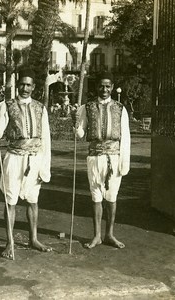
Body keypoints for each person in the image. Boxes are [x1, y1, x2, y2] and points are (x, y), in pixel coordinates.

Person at [0, 69, 52, 259]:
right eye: (22, 84)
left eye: (29, 85)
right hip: (13, 159)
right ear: (18, 85)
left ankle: (33, 238)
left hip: (34, 159)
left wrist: (44, 166)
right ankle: (10, 243)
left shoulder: (41, 108)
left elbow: (46, 139)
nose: (25, 88)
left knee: (33, 200)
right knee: (11, 201)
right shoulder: (5, 105)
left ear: (34, 87)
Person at [74, 71, 130, 249]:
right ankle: (97, 235)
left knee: (112, 198)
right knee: (96, 197)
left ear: (112, 87)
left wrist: (123, 163)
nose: (104, 89)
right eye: (101, 86)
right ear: (96, 87)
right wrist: (75, 123)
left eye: (107, 86)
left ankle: (110, 234)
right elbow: (81, 134)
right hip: (94, 158)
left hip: (114, 158)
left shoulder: (121, 109)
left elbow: (126, 137)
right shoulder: (86, 108)